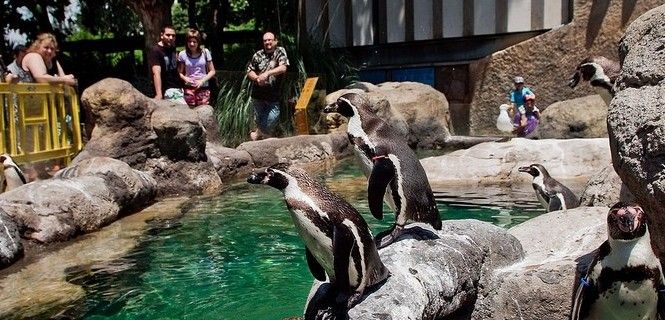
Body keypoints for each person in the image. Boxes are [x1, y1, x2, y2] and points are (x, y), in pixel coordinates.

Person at [246, 31, 289, 141]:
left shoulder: (280, 51)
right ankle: (259, 144)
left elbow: (283, 67)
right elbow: (249, 70)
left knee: (271, 119)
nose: (267, 42)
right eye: (265, 40)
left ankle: (256, 136)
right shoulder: (258, 54)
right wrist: (257, 78)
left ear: (275, 41)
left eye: (270, 40)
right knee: (257, 123)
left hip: (273, 96)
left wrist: (267, 73)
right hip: (258, 95)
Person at [177, 28, 216, 107]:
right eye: (189, 42)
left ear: (198, 42)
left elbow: (212, 71)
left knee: (203, 111)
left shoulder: (205, 52)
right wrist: (185, 78)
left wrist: (202, 81)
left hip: (203, 87)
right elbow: (179, 72)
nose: (192, 44)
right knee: (190, 111)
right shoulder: (182, 54)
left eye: (194, 42)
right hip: (189, 87)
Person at [148, 25, 184, 103]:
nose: (171, 38)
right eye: (168, 35)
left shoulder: (172, 47)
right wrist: (159, 94)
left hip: (177, 88)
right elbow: (156, 73)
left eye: (173, 36)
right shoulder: (156, 51)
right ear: (161, 35)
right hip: (166, 90)